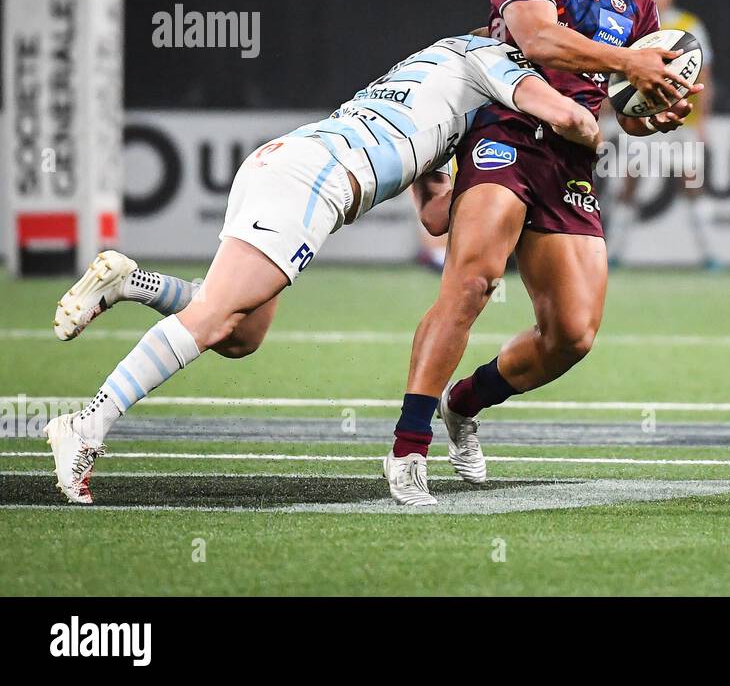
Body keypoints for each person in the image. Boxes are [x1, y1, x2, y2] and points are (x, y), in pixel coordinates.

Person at [43, 35, 599, 505]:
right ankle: (85, 425)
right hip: (315, 181)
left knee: (242, 335)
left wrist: (484, 194)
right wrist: (628, 85)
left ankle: (129, 282)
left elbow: (434, 217)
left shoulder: (444, 82)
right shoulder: (489, 55)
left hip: (287, 160)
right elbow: (572, 116)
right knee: (214, 318)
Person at [387, 0, 700, 500]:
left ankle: (464, 404)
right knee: (472, 282)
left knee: (572, 334)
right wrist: (630, 61)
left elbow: (622, 105)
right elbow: (536, 38)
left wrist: (654, 113)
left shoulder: (637, 1)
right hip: (505, 134)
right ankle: (408, 446)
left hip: (573, 161)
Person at [606, 0, 718, 268]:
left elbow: (705, 75)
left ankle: (710, 254)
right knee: (629, 181)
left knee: (692, 183)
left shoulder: (688, 24)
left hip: (683, 120)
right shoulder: (628, 24)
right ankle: (614, 253)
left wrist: (703, 122)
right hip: (643, 119)